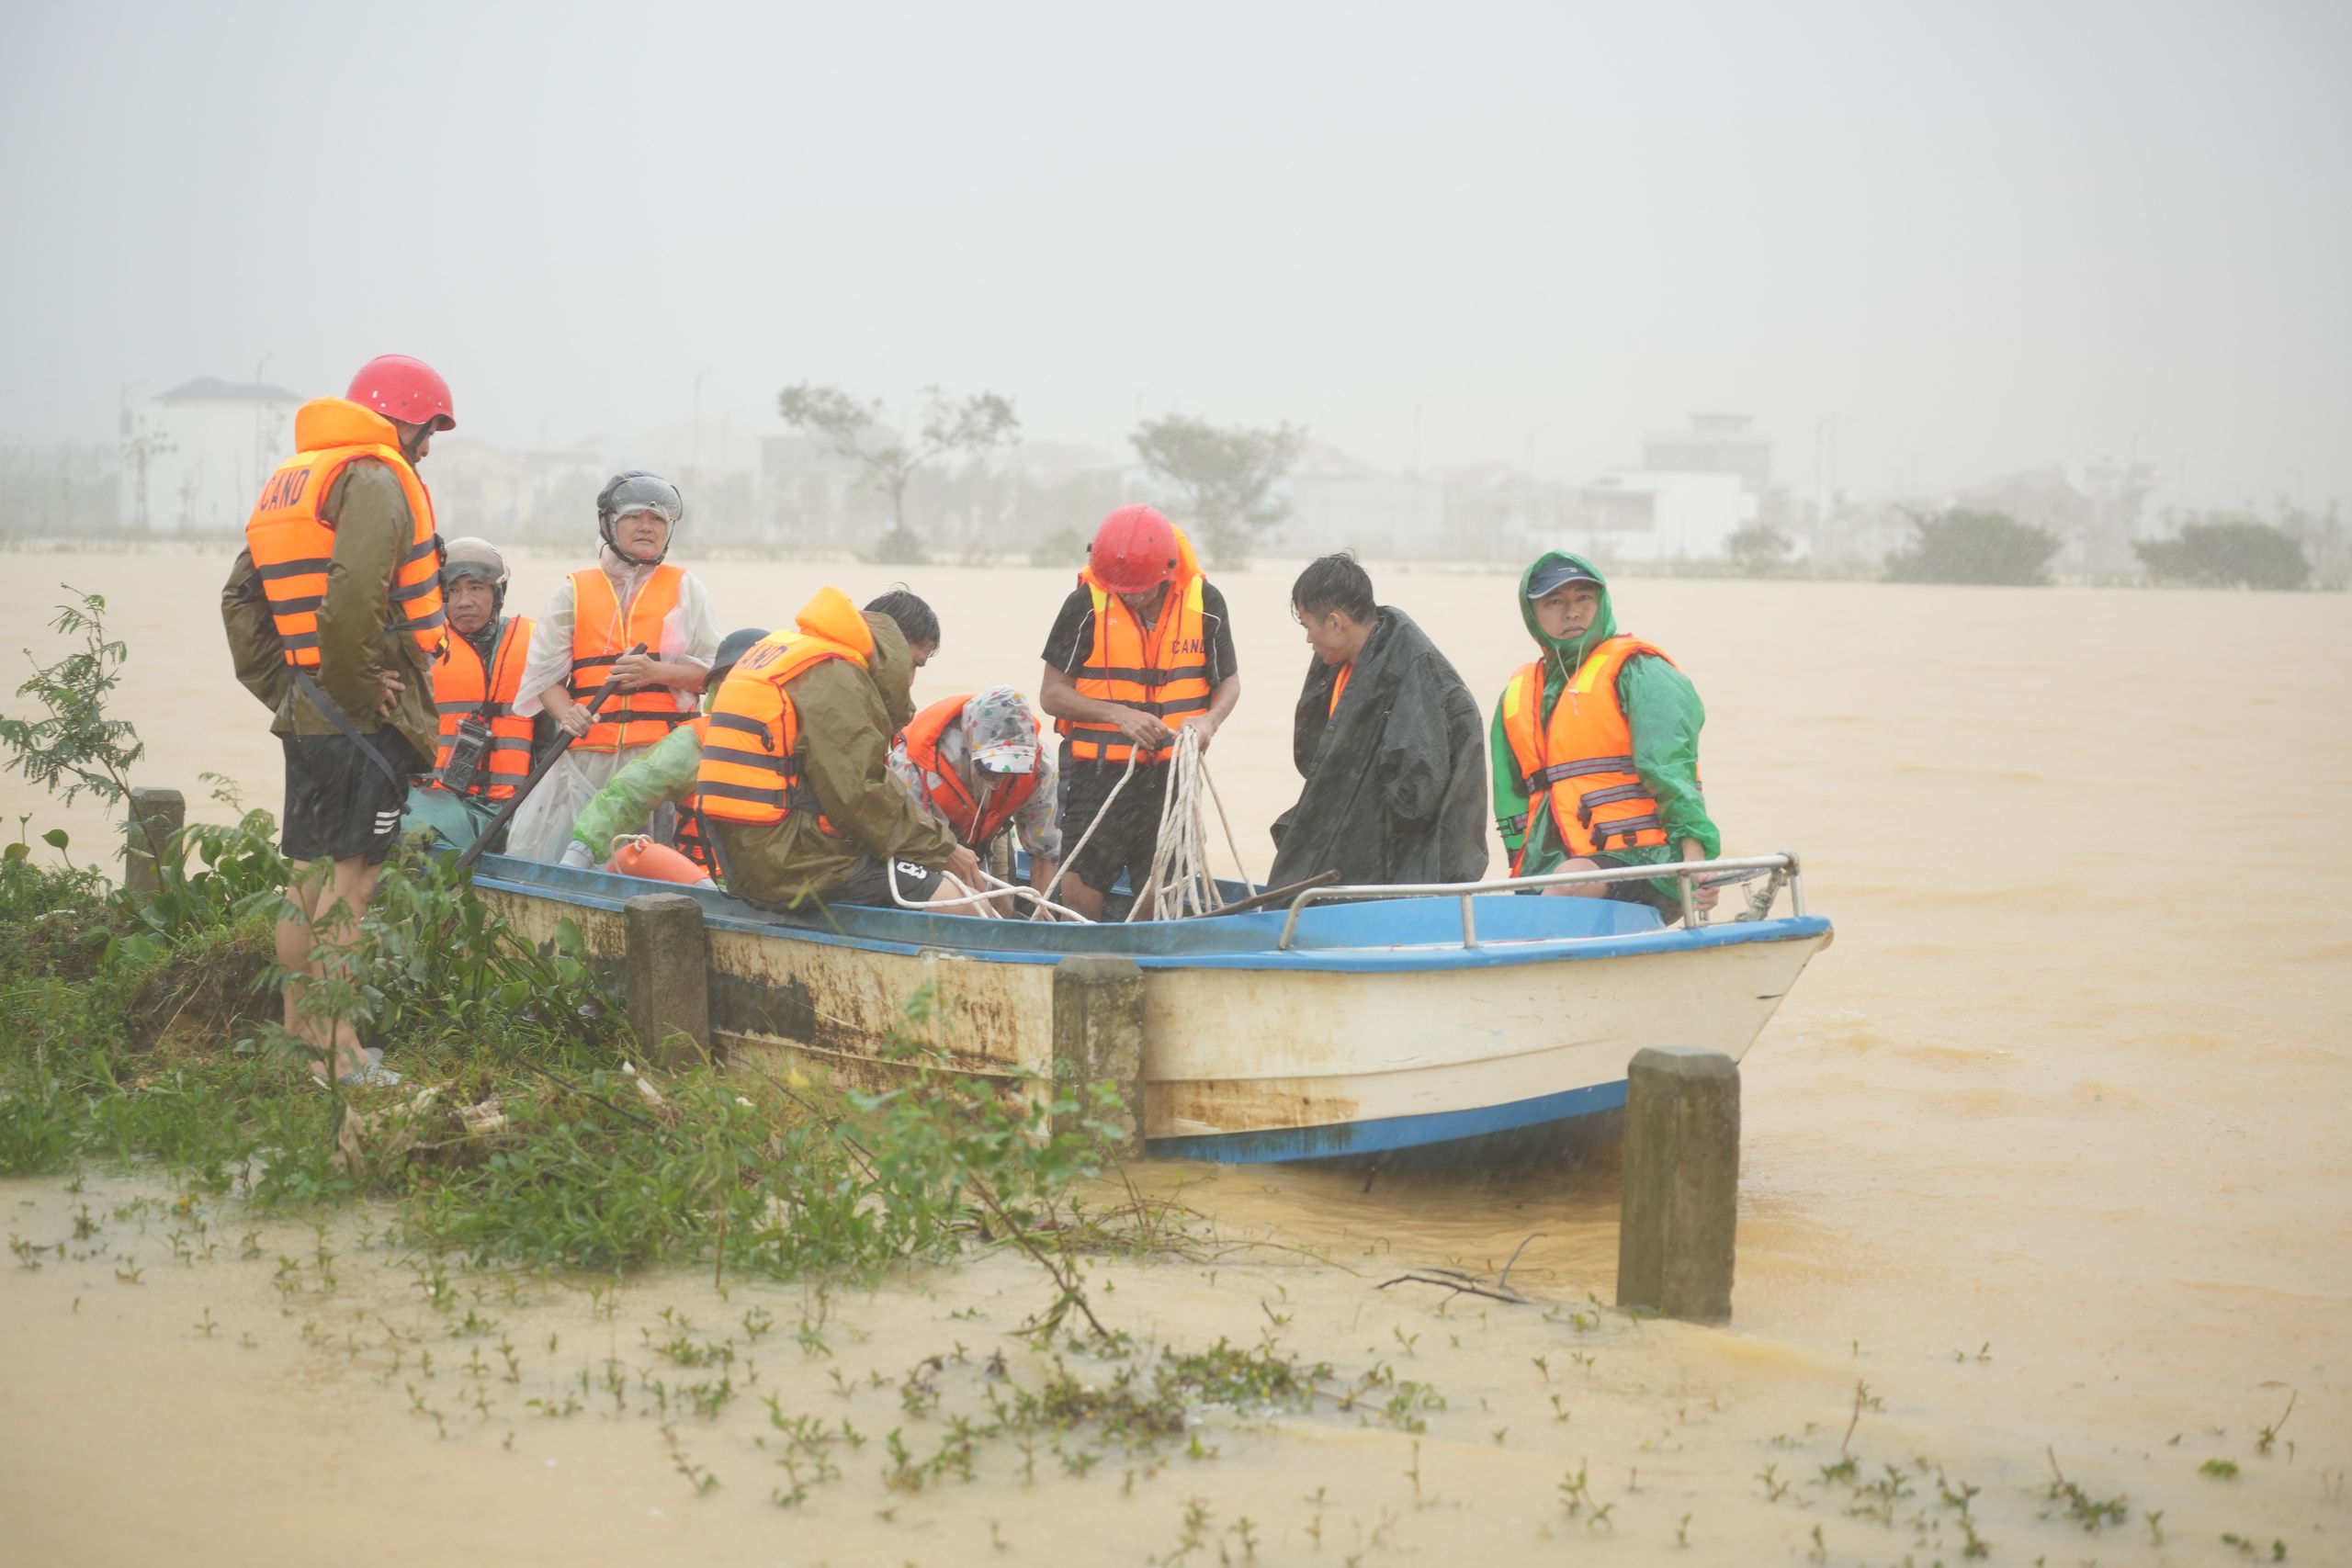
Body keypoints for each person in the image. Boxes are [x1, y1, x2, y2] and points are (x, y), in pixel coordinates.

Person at [221, 354, 454, 1086]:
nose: (428, 447)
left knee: (306, 880)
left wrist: (294, 692)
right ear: (404, 420)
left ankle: (300, 1041)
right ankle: (340, 1052)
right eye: (429, 431)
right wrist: (355, 694)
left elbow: (239, 601)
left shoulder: (294, 481)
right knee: (351, 888)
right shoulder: (377, 477)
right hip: (359, 722)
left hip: (311, 718)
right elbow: (357, 592)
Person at [696, 587, 985, 912]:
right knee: (965, 902)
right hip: (795, 867)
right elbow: (858, 796)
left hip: (750, 862)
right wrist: (944, 849)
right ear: (891, 646)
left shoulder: (799, 657)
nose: (910, 681)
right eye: (913, 664)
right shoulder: (833, 678)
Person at [503, 471, 721, 863]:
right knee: (561, 859)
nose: (646, 527)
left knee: (657, 867)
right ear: (609, 524)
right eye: (634, 517)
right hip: (588, 760)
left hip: (665, 765)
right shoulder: (573, 590)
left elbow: (715, 675)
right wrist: (567, 713)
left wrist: (655, 673)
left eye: (658, 520)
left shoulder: (688, 589)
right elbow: (545, 679)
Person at [1037, 505, 1240, 919]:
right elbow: (1052, 694)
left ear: (1167, 573)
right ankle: (1081, 955)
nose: (1130, 595)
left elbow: (1229, 684)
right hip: (1096, 771)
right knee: (1079, 889)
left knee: (1161, 887)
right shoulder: (1083, 606)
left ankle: (1150, 960)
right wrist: (1117, 715)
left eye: (1141, 589)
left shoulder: (1206, 603)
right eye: (1121, 589)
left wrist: (1208, 721)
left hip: (1171, 777)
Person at [1491, 551, 1719, 919]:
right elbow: (1511, 800)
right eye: (1554, 602)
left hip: (1647, 860)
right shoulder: (1517, 696)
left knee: (1568, 881)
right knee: (1528, 898)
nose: (1572, 612)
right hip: (1552, 867)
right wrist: (1523, 879)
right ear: (1532, 614)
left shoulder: (1640, 671)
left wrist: (1695, 862)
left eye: (1584, 597)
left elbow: (1673, 768)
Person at [1266, 553, 1487, 887]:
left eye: (1308, 626)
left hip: (1394, 855)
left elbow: (1417, 794)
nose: (1308, 639)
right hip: (1350, 838)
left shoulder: (1410, 667)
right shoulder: (1338, 663)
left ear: (1336, 623)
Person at [560, 625, 770, 876]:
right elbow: (627, 796)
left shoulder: (805, 737)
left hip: (784, 888)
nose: (748, 689)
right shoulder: (698, 740)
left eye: (759, 678)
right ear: (718, 686)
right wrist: (579, 855)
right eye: (736, 679)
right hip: (708, 888)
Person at [402, 537, 537, 856]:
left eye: (476, 588)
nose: (464, 601)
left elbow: (548, 741)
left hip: (510, 805)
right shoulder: (418, 651)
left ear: (497, 594)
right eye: (453, 590)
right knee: (404, 833)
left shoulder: (535, 645)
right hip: (435, 801)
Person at [887, 685, 1062, 913]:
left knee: (1003, 910)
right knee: (976, 909)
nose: (998, 781)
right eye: (990, 769)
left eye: (1012, 770)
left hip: (990, 827)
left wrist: (1043, 918)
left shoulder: (1041, 767)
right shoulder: (915, 764)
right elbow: (911, 838)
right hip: (927, 839)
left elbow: (1044, 848)